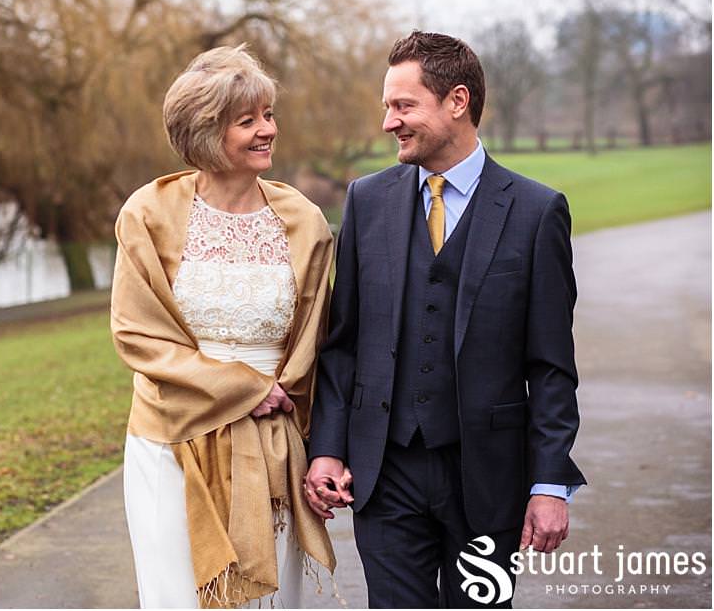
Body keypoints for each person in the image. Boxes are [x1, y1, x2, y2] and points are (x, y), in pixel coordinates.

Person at [304, 31, 587, 608]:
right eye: (387, 106)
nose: (388, 122)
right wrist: (327, 447)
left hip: (488, 478)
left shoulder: (536, 212)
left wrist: (550, 483)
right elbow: (344, 342)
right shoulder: (366, 200)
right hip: (385, 475)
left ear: (457, 102)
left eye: (403, 105)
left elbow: (552, 365)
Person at [110, 44, 336, 609]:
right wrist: (245, 389)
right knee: (177, 596)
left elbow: (314, 337)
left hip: (271, 440)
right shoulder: (148, 213)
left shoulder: (305, 221)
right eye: (248, 121)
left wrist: (305, 432)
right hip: (171, 438)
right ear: (208, 132)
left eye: (268, 115)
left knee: (264, 599)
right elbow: (138, 333)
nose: (267, 130)